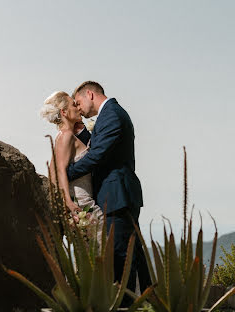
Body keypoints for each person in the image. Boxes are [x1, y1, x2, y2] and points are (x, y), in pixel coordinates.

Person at [67, 81, 150, 306]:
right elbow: (99, 147)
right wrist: (83, 134)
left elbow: (98, 156)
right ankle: (147, 303)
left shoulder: (112, 114)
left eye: (78, 102)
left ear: (90, 95)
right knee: (134, 255)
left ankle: (124, 306)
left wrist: (65, 174)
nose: (78, 108)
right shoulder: (109, 116)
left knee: (121, 257)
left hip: (117, 194)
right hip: (117, 194)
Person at [40, 91, 102, 219]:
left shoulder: (62, 136)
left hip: (82, 199)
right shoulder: (67, 136)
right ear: (64, 112)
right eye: (74, 105)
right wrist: (68, 202)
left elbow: (52, 172)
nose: (78, 108)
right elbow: (60, 170)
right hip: (82, 203)